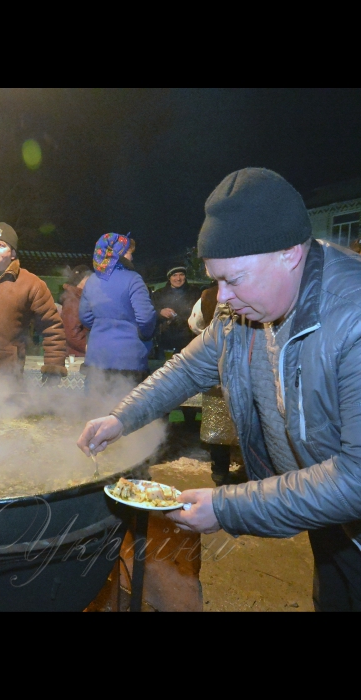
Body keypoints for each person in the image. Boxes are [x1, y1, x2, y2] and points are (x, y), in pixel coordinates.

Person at [78, 167, 361, 612]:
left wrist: (228, 507)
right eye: (215, 280)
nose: (221, 298)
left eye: (233, 279)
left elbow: (357, 478)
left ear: (289, 253)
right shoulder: (242, 313)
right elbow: (188, 367)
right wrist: (122, 417)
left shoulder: (354, 316)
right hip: (330, 517)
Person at [0, 223, 67, 381]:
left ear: (12, 253)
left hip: (7, 377)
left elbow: (52, 328)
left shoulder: (31, 285)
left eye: (0, 245)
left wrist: (53, 367)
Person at [79, 234, 157, 399]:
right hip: (128, 360)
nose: (132, 256)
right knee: (125, 415)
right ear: (118, 253)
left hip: (97, 358)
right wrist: (144, 334)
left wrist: (103, 329)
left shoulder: (92, 281)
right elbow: (146, 317)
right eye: (129, 252)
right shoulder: (134, 279)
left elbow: (85, 317)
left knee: (94, 411)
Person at [190, 285, 240, 486]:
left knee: (219, 423)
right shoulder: (255, 288)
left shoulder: (208, 295)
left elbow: (194, 324)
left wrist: (208, 334)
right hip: (242, 365)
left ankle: (220, 471)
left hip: (218, 364)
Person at [152, 267, 202, 359]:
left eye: (181, 274)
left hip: (189, 341)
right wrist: (160, 312)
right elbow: (149, 313)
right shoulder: (158, 294)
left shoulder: (196, 293)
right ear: (169, 277)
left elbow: (201, 316)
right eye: (174, 275)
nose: (178, 278)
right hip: (165, 341)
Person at [60, 266, 92, 359]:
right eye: (88, 280)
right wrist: (88, 348)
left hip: (78, 354)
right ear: (80, 282)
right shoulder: (73, 301)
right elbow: (72, 334)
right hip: (76, 356)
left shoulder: (81, 299)